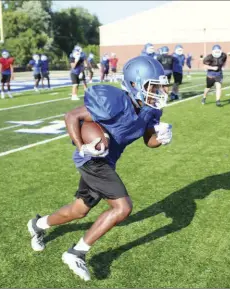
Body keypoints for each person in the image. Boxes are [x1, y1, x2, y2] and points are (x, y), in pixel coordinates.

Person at [27, 56, 172, 282]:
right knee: (122, 208)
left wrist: (160, 138)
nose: (160, 91)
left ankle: (37, 224)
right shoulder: (116, 101)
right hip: (92, 159)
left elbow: (148, 141)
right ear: (135, 85)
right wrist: (82, 146)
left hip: (107, 162)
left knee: (79, 210)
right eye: (153, 86)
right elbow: (72, 116)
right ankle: (76, 253)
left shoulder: (150, 111)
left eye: (161, 85)